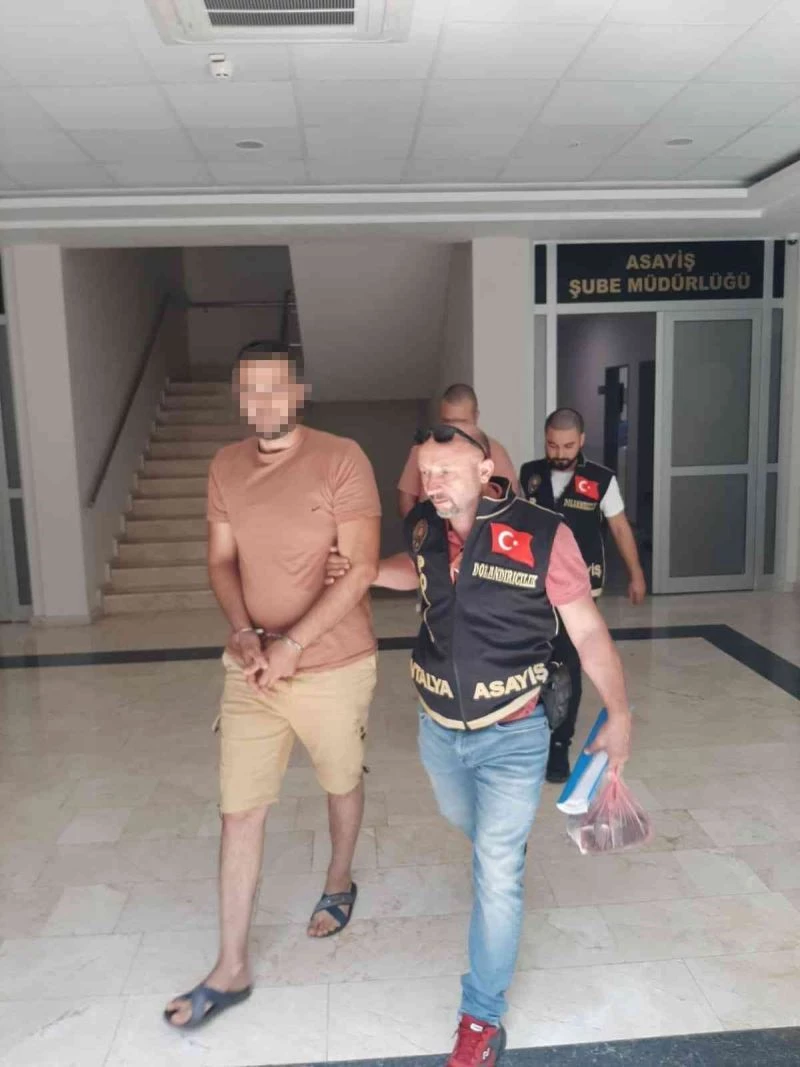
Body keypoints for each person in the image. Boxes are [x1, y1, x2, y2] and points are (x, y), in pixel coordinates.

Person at [327, 422, 632, 1067]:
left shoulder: (544, 534)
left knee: (495, 871)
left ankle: (481, 1017)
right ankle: (503, 846)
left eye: (445, 472)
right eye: (424, 472)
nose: (430, 484)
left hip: (512, 734)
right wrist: (368, 572)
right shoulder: (424, 526)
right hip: (438, 730)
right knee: (469, 826)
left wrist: (620, 712)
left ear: (485, 469)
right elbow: (420, 573)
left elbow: (587, 631)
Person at [164, 340, 381, 1030]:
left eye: (274, 387)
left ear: (299, 392)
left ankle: (339, 880)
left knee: (340, 779)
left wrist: (293, 643)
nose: (261, 402)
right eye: (249, 389)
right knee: (239, 810)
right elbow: (220, 560)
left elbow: (361, 567)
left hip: (334, 664)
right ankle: (231, 966)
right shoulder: (225, 465)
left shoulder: (341, 457)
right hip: (252, 668)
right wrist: (243, 631)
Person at [519, 408, 646, 783]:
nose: (559, 453)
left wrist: (636, 573)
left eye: (568, 446)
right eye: (552, 445)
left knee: (567, 666)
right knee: (534, 662)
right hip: (534, 584)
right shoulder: (530, 474)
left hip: (580, 588)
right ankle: (531, 738)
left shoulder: (601, 479)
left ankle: (559, 745)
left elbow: (619, 528)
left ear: (582, 441)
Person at [397, 383, 519, 517]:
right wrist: (421, 528)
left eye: (462, 422)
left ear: (476, 417)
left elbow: (510, 503)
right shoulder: (424, 449)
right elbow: (406, 500)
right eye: (448, 422)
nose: (455, 429)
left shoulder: (495, 451)